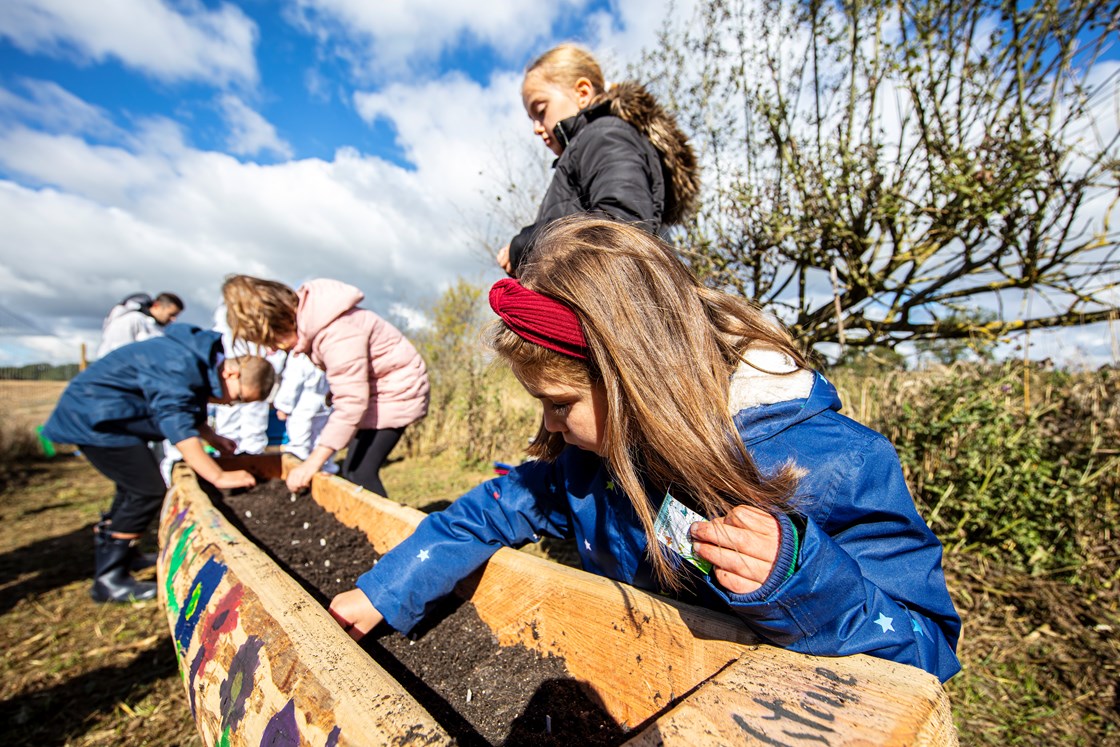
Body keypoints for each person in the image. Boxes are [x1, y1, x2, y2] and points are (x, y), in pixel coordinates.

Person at [330, 216, 962, 683]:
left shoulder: (838, 464)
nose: (548, 427)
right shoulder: (592, 463)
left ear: (634, 382)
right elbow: (497, 505)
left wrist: (802, 579)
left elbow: (927, 650)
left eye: (558, 403)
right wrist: (388, 588)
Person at [42, 323, 276, 603]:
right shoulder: (181, 365)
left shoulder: (195, 360)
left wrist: (212, 437)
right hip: (95, 420)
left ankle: (127, 555)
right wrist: (218, 476)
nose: (229, 404)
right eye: (237, 397)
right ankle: (109, 579)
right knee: (147, 489)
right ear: (231, 373)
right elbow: (177, 422)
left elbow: (188, 405)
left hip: (108, 419)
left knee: (132, 486)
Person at [496, 43, 699, 276]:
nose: (536, 128)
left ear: (582, 93)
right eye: (531, 118)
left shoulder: (606, 135)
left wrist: (524, 246)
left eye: (541, 111)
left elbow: (622, 230)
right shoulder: (583, 151)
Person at [223, 276, 430, 497]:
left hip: (398, 392)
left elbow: (352, 402)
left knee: (362, 473)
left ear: (280, 321)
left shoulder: (336, 333)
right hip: (379, 392)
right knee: (351, 471)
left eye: (274, 341)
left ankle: (398, 531)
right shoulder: (317, 323)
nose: (275, 349)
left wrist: (312, 463)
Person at [273, 351, 337, 473]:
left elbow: (292, 381)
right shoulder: (322, 350)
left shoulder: (299, 355)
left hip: (303, 401)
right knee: (322, 437)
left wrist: (283, 405)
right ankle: (325, 469)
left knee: (300, 441)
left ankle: (300, 470)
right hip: (324, 399)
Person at [96, 292, 184, 358]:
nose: (173, 319)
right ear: (157, 305)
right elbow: (118, 354)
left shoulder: (159, 329)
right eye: (171, 314)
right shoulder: (131, 320)